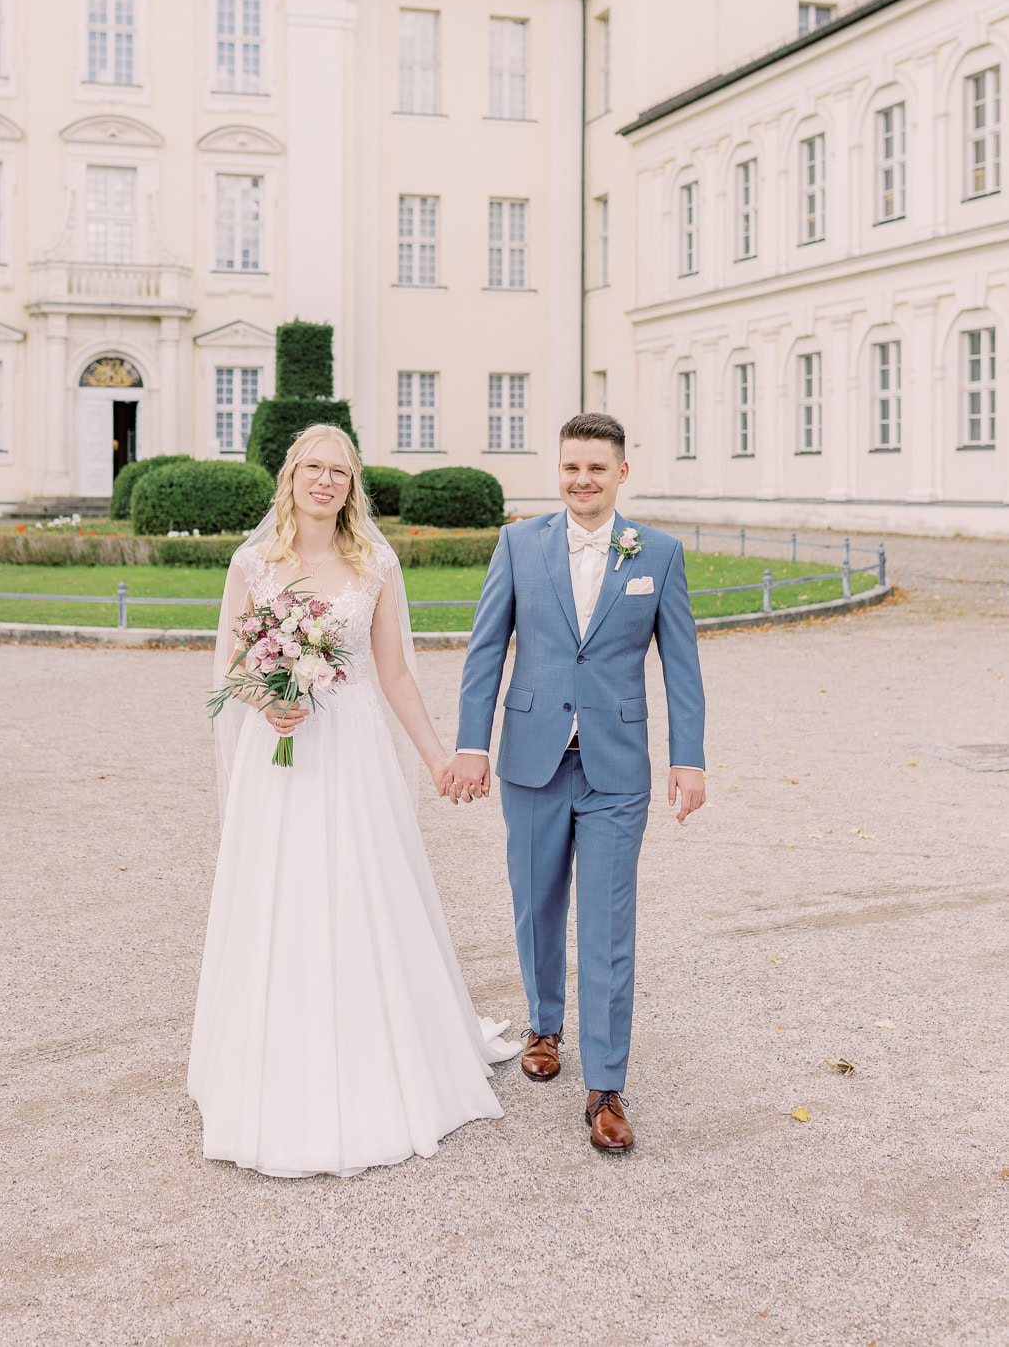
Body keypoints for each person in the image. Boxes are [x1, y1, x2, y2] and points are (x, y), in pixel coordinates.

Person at [188, 424, 518, 1177]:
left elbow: (395, 673)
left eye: (340, 471)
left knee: (359, 892)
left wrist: (437, 756)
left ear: (352, 484)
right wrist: (265, 698)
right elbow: (231, 668)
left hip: (355, 757)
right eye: (314, 467)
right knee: (282, 896)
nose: (326, 481)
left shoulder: (376, 562)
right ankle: (267, 1067)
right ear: (291, 475)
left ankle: (382, 1053)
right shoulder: (254, 562)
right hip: (281, 759)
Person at [451, 412, 706, 1154]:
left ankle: (606, 1086)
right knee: (536, 903)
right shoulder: (519, 543)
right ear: (557, 472)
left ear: (622, 472)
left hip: (616, 768)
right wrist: (472, 742)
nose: (582, 480)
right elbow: (486, 648)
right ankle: (543, 1023)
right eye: (570, 468)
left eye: (596, 468)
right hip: (532, 756)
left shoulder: (658, 551)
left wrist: (688, 757)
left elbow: (682, 667)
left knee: (607, 922)